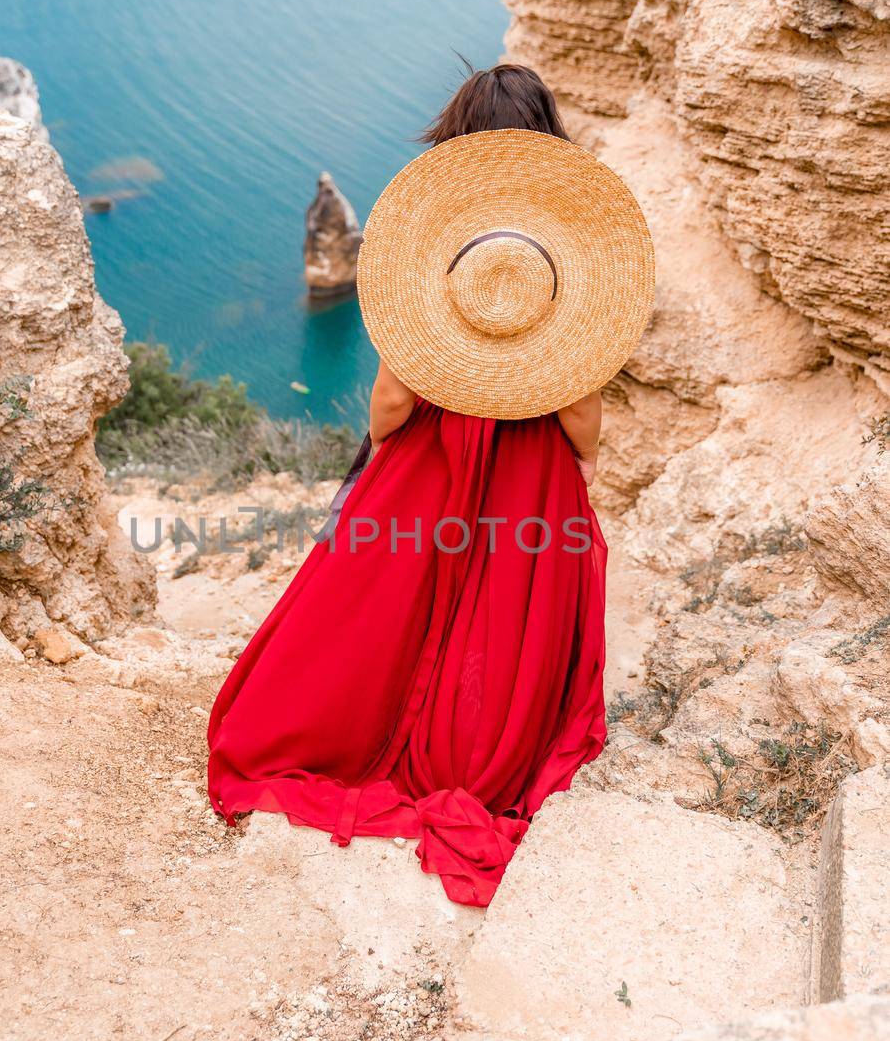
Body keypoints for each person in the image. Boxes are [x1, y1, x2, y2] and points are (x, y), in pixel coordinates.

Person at [208, 63, 654, 907]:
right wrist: (574, 462)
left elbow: (392, 396)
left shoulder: (434, 237)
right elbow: (582, 417)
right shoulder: (567, 248)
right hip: (531, 468)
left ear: (454, 141)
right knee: (502, 617)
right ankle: (477, 755)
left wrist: (384, 453)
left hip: (434, 453)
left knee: (382, 608)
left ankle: (341, 733)